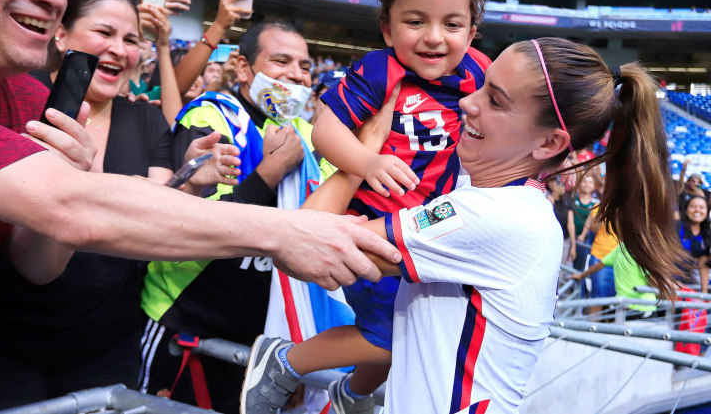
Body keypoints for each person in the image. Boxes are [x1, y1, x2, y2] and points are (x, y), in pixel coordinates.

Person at [0, 0, 400, 363]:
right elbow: (73, 210)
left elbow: (42, 260)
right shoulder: (210, 115)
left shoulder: (31, 100)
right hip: (138, 329)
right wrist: (284, 231)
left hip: (105, 343)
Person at [242, 37, 683, 414]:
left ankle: (289, 364)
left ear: (550, 143)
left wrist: (361, 155)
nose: (468, 102)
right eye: (483, 86)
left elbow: (303, 239)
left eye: (495, 99)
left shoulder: (497, 217)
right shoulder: (493, 201)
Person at [0, 0, 240, 412]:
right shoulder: (19, 103)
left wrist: (193, 180)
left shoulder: (147, 121)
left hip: (108, 345)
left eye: (131, 40)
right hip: (2, 343)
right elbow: (58, 224)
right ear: (61, 34)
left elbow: (154, 211)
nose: (119, 50)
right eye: (104, 33)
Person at [276, 0, 491, 411]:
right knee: (390, 336)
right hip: (369, 224)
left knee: (407, 334)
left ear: (472, 33)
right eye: (415, 21)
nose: (434, 37)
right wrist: (367, 162)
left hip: (423, 230)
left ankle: (351, 394)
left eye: (451, 24)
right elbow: (324, 131)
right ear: (387, 29)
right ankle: (285, 362)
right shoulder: (381, 69)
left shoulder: (479, 72)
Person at [138, 20, 333, 414]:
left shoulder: (309, 137)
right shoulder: (209, 117)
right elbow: (196, 225)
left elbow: (325, 220)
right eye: (281, 61)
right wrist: (270, 173)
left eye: (305, 66)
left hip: (263, 340)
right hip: (187, 326)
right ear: (244, 68)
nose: (295, 74)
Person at [571, 243, 658, 320]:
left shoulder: (620, 249)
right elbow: (653, 281)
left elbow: (599, 265)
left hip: (623, 307)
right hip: (644, 308)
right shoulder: (642, 254)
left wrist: (581, 275)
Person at [677, 195, 711, 293]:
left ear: (707, 212)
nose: (697, 210)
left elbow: (703, 263)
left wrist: (704, 293)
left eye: (702, 207)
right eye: (693, 206)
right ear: (686, 209)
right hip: (671, 280)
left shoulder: (706, 234)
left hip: (688, 281)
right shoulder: (676, 227)